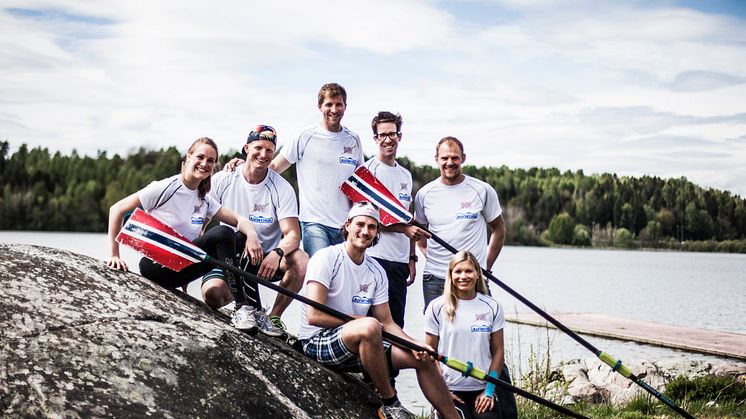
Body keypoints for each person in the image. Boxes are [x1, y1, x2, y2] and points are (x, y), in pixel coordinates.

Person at [297, 201, 460, 419]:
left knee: (424, 358)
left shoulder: (376, 271)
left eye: (372, 227)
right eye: (360, 224)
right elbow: (313, 316)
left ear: (376, 233)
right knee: (370, 325)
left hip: (358, 340)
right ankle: (390, 403)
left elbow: (388, 322)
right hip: (316, 340)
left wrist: (414, 344)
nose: (365, 231)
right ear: (347, 226)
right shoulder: (326, 258)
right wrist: (355, 321)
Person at [106, 137, 263, 322]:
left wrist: (252, 234)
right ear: (188, 158)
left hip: (181, 267)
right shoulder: (165, 187)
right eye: (200, 157)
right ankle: (242, 307)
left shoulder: (203, 198)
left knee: (240, 238)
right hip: (156, 266)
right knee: (223, 233)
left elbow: (239, 219)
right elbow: (117, 210)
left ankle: (254, 309)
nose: (205, 164)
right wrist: (114, 254)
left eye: (210, 160)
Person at [202, 125, 308, 336]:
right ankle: (243, 300)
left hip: (267, 261)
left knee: (301, 260)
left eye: (270, 150)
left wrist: (277, 253)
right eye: (258, 148)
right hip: (231, 256)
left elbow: (293, 235)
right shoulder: (224, 179)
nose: (263, 154)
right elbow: (202, 219)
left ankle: (272, 317)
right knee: (212, 295)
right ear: (246, 148)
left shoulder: (281, 187)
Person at [270, 82, 363, 256]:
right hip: (314, 223)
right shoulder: (305, 136)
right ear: (320, 106)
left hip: (345, 225)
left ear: (345, 106)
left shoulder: (353, 140)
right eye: (329, 104)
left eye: (339, 104)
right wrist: (244, 169)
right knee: (320, 274)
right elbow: (274, 167)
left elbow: (360, 184)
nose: (334, 110)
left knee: (340, 280)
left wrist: (356, 219)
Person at [414, 136, 506, 309]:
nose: (450, 162)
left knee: (482, 330)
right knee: (437, 333)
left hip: (474, 277)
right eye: (445, 158)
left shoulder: (482, 190)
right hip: (435, 278)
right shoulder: (424, 194)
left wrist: (485, 266)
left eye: (455, 157)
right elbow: (418, 232)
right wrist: (430, 255)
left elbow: (499, 229)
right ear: (436, 160)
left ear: (463, 158)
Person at [424, 251, 517, 419]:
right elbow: (430, 354)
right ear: (450, 275)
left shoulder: (492, 306)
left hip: (481, 388)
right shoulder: (436, 307)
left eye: (468, 271)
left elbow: (498, 352)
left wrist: (489, 391)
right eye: (458, 271)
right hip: (449, 389)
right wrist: (441, 392)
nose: (463, 276)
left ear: (477, 274)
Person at [361, 111, 430, 328]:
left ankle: (391, 363)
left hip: (400, 261)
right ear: (375, 138)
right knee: (373, 324)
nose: (388, 139)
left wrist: (412, 257)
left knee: (396, 325)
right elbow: (367, 220)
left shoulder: (405, 175)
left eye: (392, 134)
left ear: (399, 136)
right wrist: (404, 230)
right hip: (375, 257)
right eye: (382, 135)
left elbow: (409, 219)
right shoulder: (367, 171)